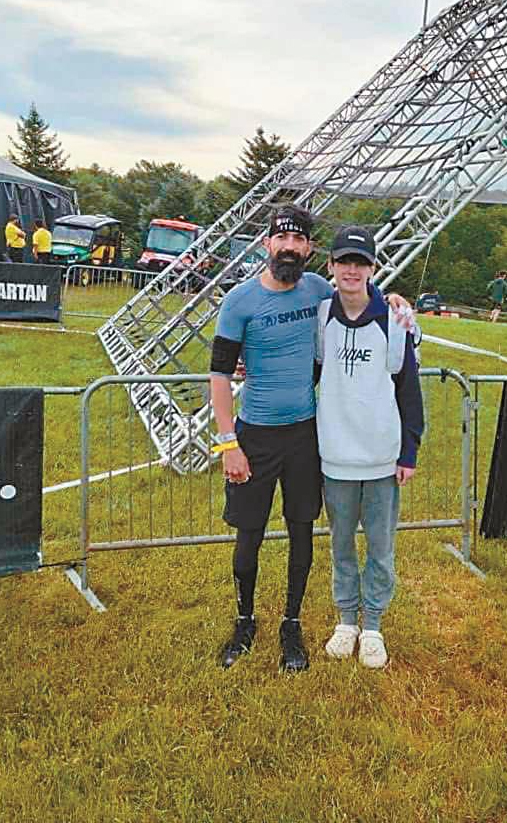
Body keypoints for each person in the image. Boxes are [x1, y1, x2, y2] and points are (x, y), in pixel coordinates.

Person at [209, 204, 414, 673]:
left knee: (301, 530)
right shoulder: (239, 301)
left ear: (309, 249)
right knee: (249, 534)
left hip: (305, 434)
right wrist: (228, 443)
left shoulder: (320, 291)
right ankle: (244, 622)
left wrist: (394, 299)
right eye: (281, 238)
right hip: (254, 435)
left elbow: (361, 293)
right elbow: (219, 374)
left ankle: (292, 624)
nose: (289, 247)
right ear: (266, 244)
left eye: (298, 240)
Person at [316, 226, 423, 669]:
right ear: (331, 266)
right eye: (344, 261)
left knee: (380, 548)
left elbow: (409, 390)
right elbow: (309, 373)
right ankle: (347, 621)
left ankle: (373, 625)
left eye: (360, 263)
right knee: (341, 545)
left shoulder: (395, 320)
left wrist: (409, 451)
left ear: (373, 269)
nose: (351, 270)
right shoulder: (321, 314)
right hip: (335, 458)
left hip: (381, 459)